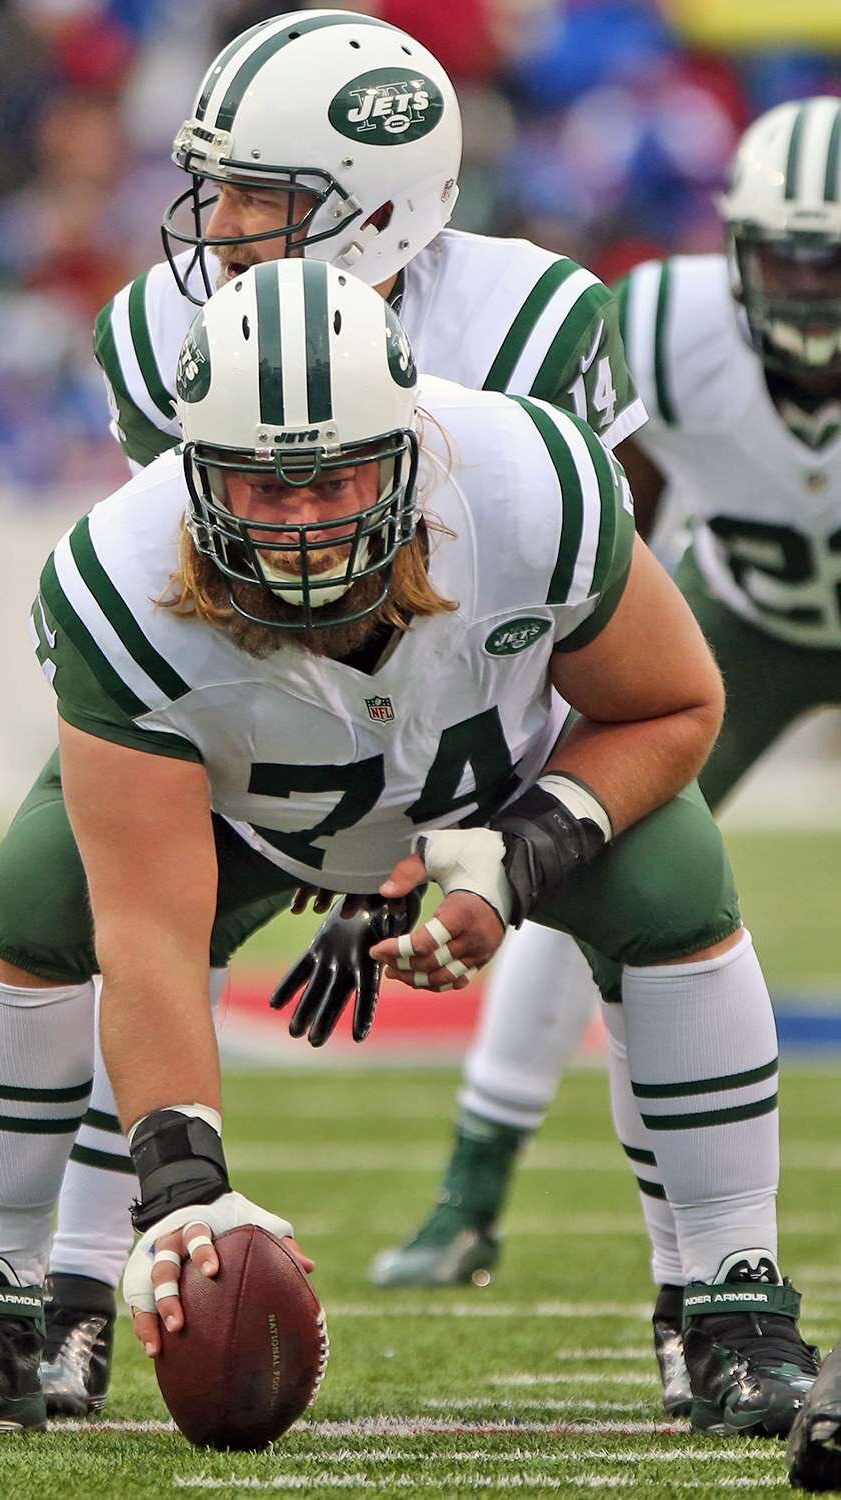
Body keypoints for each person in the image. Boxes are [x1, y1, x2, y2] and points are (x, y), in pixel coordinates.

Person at [0, 261, 818, 1442]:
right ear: (191, 469)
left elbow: (674, 705)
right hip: (242, 814)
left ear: (413, 446)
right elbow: (151, 931)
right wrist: (182, 1191)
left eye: (341, 473)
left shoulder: (529, 482)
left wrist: (518, 855)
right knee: (41, 895)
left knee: (673, 879)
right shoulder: (119, 579)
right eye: (263, 488)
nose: (307, 517)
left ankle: (730, 1304)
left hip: (504, 787)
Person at [0, 9, 649, 1417]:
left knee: (674, 877)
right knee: (69, 907)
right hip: (251, 717)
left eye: (259, 195)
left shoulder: (525, 330)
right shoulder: (162, 337)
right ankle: (45, 1299)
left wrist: (458, 828)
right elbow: (199, 581)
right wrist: (315, 811)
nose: (215, 225)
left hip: (488, 713)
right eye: (210, 188)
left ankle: (723, 1290)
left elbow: (614, 611)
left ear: (384, 203)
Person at [368, 93, 841, 1421]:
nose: (809, 289)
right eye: (789, 255)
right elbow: (591, 509)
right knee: (583, 857)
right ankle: (473, 1188)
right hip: (731, 631)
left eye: (834, 260)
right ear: (735, 249)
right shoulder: (660, 328)